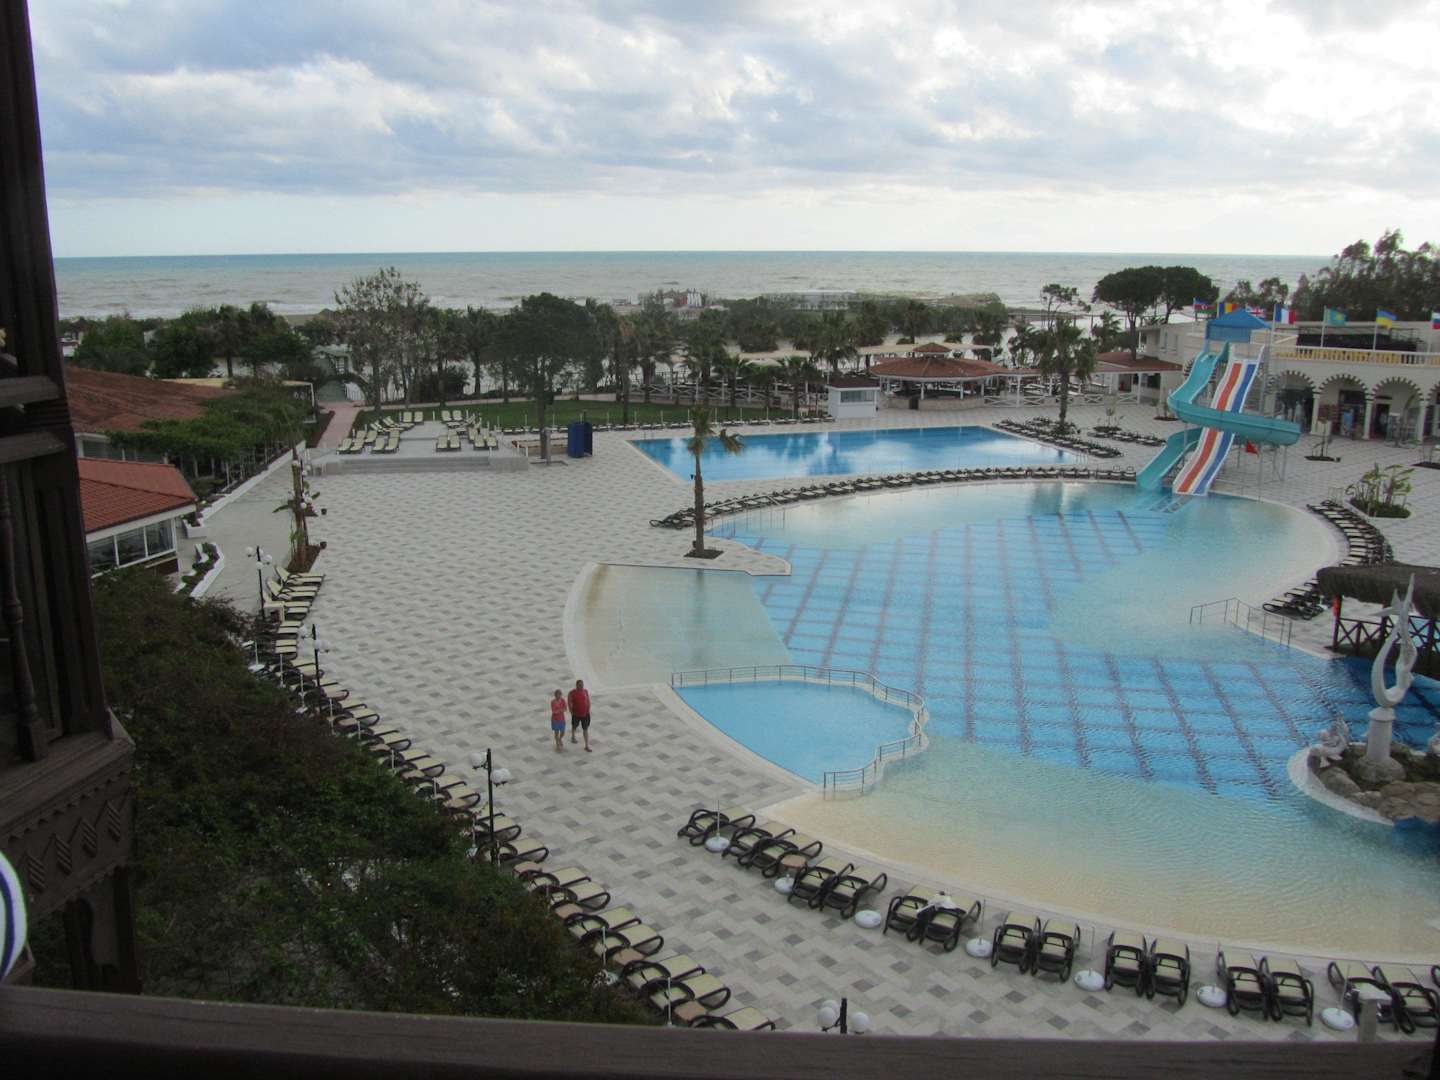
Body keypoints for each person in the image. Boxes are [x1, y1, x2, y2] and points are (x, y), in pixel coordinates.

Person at [568, 678, 592, 752]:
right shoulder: (572, 693)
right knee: (574, 726)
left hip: (585, 714)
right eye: (580, 685)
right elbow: (569, 703)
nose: (581, 686)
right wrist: (571, 712)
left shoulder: (585, 691)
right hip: (576, 714)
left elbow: (588, 700)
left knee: (585, 729)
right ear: (576, 685)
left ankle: (586, 745)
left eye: (582, 685)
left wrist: (588, 709)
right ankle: (573, 736)